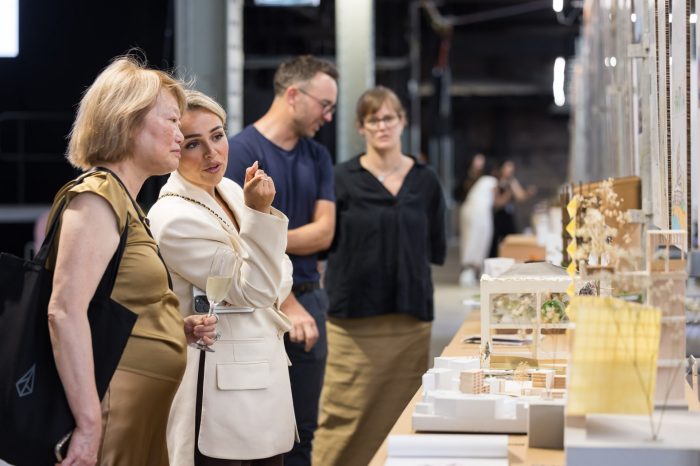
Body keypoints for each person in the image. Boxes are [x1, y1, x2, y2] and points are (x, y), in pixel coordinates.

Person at [46, 56, 217, 466]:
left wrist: (172, 329)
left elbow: (114, 303)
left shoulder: (124, 201)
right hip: (114, 409)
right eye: (171, 120)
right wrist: (89, 423)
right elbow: (64, 311)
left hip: (135, 411)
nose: (180, 134)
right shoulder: (97, 197)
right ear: (127, 121)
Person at [148, 90, 295, 466]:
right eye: (193, 143)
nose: (212, 153)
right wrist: (260, 216)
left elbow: (281, 275)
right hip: (217, 389)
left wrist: (259, 273)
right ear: (173, 147)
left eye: (217, 135)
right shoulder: (172, 217)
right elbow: (257, 289)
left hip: (263, 373)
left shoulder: (230, 190)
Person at [313, 86, 447, 466]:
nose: (382, 126)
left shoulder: (425, 181)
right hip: (352, 322)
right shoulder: (341, 178)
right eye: (373, 120)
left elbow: (435, 245)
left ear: (402, 122)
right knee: (343, 415)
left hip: (409, 320)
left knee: (403, 414)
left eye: (389, 118)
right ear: (361, 127)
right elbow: (322, 245)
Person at [225, 55, 337, 466]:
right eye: (324, 105)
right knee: (257, 437)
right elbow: (233, 239)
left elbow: (324, 233)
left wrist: (266, 236)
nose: (328, 116)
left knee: (301, 433)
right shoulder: (239, 152)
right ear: (293, 95)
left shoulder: (318, 156)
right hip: (261, 307)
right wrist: (285, 299)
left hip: (311, 300)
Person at [458, 162, 497, 287]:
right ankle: (471, 270)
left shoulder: (480, 181)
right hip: (479, 212)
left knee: (468, 240)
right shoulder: (491, 180)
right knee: (479, 239)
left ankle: (468, 271)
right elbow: (497, 202)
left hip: (467, 209)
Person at [489, 159, 536, 257]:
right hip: (499, 215)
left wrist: (528, 193)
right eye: (508, 166)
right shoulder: (496, 182)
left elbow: (520, 196)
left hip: (509, 215)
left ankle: (511, 257)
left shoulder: (512, 181)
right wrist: (508, 193)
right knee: (495, 242)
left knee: (511, 239)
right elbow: (497, 203)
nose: (511, 169)